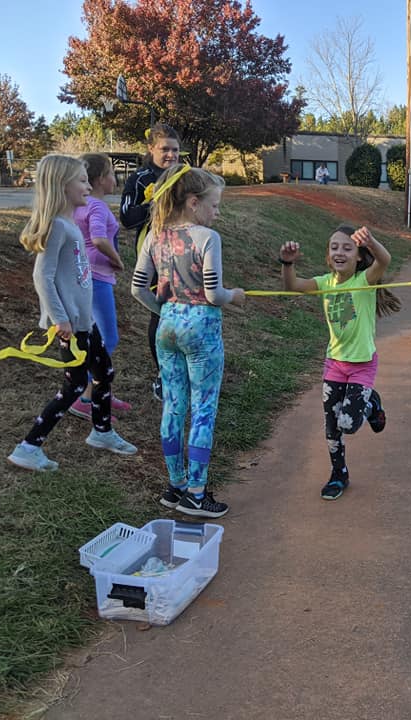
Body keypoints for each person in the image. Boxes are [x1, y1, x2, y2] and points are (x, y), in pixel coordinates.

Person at [7, 154, 138, 472]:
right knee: (75, 386)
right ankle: (28, 447)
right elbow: (43, 277)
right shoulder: (57, 228)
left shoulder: (68, 224)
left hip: (85, 322)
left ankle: (102, 431)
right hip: (71, 327)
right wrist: (59, 319)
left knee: (104, 372)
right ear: (62, 186)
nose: (87, 186)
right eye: (81, 180)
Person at [131, 164, 246, 518]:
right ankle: (197, 493)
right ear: (193, 202)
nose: (217, 212)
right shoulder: (207, 238)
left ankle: (175, 486)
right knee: (204, 408)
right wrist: (235, 295)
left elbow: (137, 288)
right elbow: (213, 294)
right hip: (202, 331)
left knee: (173, 405)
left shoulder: (155, 235)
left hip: (167, 327)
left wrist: (164, 308)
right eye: (214, 205)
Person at [278, 225, 399, 500]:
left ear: (358, 256)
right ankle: (338, 474)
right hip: (334, 364)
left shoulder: (365, 280)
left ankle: (371, 404)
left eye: (347, 248)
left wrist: (372, 242)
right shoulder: (324, 283)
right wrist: (287, 263)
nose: (340, 252)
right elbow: (292, 286)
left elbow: (385, 260)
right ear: (327, 255)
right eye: (334, 247)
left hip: (362, 366)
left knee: (348, 423)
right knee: (332, 428)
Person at [121, 123, 181, 402]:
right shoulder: (140, 178)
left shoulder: (184, 175)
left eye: (175, 149)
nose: (171, 155)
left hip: (184, 252)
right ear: (151, 149)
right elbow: (127, 219)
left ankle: (183, 368)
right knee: (160, 311)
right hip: (154, 253)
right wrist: (153, 205)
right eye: (165, 149)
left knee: (183, 308)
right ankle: (162, 374)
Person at [69, 153, 131, 420]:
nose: (114, 178)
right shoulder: (97, 206)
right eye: (111, 173)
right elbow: (98, 238)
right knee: (108, 338)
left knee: (92, 337)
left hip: (82, 276)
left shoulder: (77, 204)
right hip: (97, 278)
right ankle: (85, 396)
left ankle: (102, 390)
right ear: (98, 179)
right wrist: (117, 260)